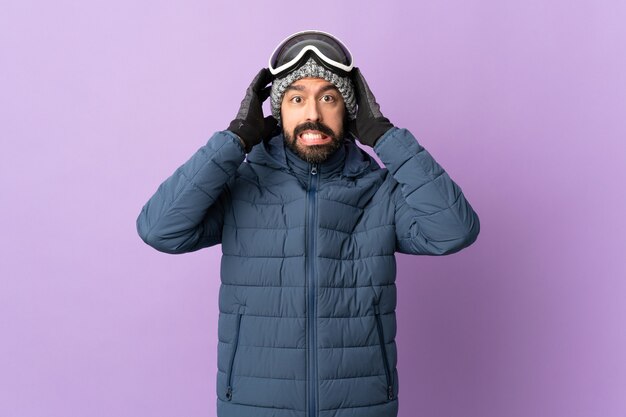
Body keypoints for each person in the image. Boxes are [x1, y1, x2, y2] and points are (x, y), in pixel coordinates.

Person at [137, 30, 480, 417]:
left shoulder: (380, 192)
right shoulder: (242, 186)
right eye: (296, 98)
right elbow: (160, 228)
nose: (312, 114)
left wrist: (384, 136)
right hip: (255, 406)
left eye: (328, 98)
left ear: (349, 111)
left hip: (361, 406)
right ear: (277, 110)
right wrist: (236, 138)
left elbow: (454, 230)